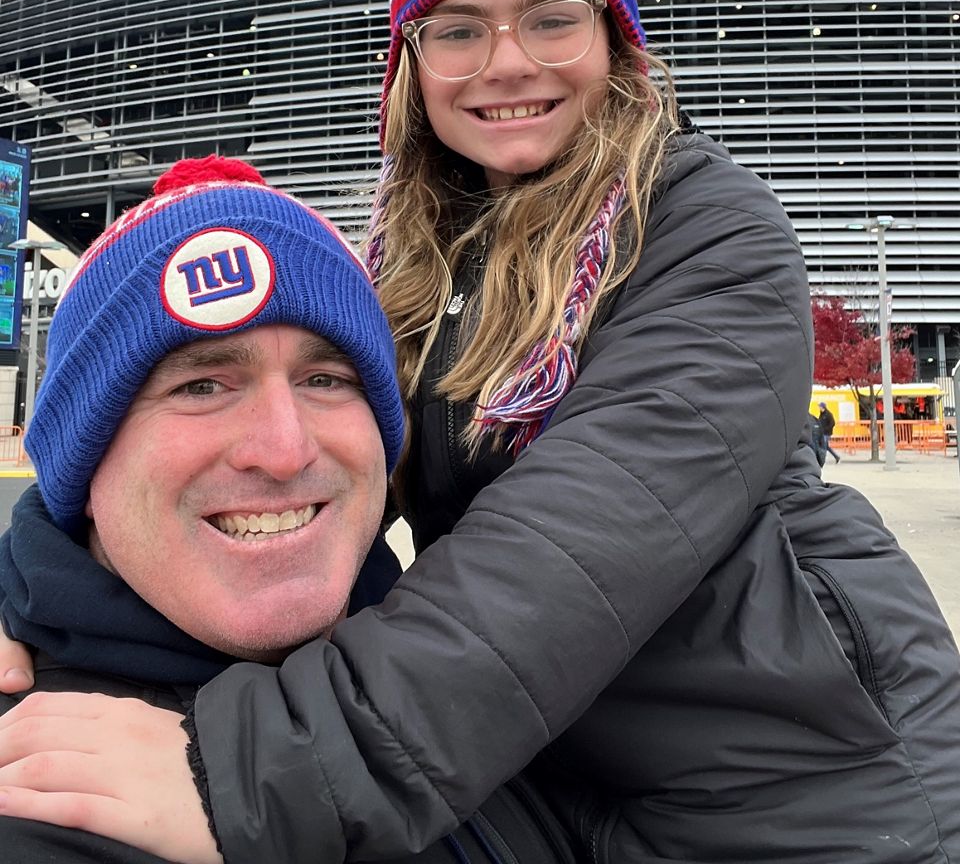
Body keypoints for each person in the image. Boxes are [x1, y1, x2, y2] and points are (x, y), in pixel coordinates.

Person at [0, 0, 959, 864]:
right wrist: (42, 606)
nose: (507, 62)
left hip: (808, 793)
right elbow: (259, 474)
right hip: (550, 778)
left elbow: (582, 538)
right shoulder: (414, 273)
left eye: (552, 14)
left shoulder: (701, 221)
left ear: (616, 39)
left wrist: (264, 769)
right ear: (411, 71)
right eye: (458, 29)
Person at [0, 155, 576, 864]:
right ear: (81, 463)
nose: (283, 448)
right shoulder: (37, 781)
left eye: (326, 378)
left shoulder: (470, 678)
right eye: (203, 385)